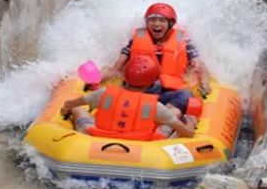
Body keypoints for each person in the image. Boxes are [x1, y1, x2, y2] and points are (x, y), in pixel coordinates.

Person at [104, 2, 210, 114]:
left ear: (170, 24)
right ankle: (152, 115)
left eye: (162, 20)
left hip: (168, 93)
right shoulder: (137, 39)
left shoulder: (183, 41)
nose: (156, 24)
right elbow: (116, 67)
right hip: (140, 91)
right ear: (147, 22)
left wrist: (205, 84)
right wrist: (98, 79)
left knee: (185, 95)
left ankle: (167, 116)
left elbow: (199, 65)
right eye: (152, 20)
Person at [61, 55, 196, 140]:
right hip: (142, 143)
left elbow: (71, 103)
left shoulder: (103, 93)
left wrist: (67, 108)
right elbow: (189, 133)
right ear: (151, 83)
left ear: (124, 77)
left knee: (77, 108)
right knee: (171, 119)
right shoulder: (156, 107)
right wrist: (190, 120)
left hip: (98, 136)